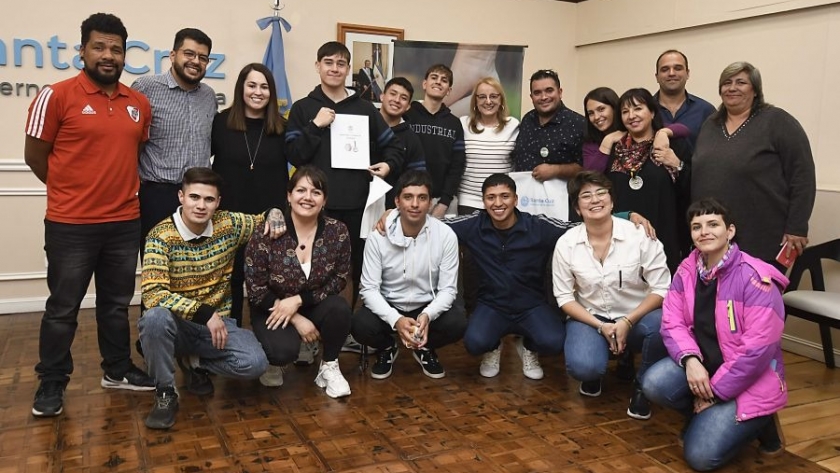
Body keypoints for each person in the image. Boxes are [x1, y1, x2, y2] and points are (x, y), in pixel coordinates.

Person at [23, 12, 155, 418]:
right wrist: (70, 193)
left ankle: (116, 370)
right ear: (82, 51)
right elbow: (35, 157)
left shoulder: (139, 103)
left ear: (124, 54)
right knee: (63, 307)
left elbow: (134, 154)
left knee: (116, 305)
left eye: (116, 48)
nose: (108, 55)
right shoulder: (56, 95)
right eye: (98, 46)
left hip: (123, 222)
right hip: (70, 225)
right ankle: (52, 380)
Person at [642, 198, 788, 471]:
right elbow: (671, 322)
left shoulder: (756, 279)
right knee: (653, 383)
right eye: (696, 226)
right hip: (705, 367)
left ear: (729, 231)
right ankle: (705, 415)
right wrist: (691, 361)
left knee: (700, 458)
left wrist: (714, 393)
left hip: (749, 380)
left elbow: (756, 352)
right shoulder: (687, 270)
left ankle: (761, 422)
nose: (704, 231)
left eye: (713, 224)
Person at [139, 167, 285, 429]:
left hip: (218, 327)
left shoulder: (228, 224)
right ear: (181, 197)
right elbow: (153, 294)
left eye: (208, 199)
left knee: (256, 363)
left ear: (218, 202)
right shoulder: (159, 237)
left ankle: (193, 361)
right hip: (180, 324)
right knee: (154, 319)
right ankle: (165, 392)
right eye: (194, 197)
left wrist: (275, 214)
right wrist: (204, 313)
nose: (200, 206)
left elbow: (264, 218)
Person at [285, 41, 403, 314]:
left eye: (340, 63)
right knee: (308, 268)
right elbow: (294, 154)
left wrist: (387, 165)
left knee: (354, 269)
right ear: (318, 66)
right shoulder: (304, 108)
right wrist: (316, 125)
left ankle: (348, 328)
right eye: (328, 62)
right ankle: (309, 330)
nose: (334, 68)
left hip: (356, 204)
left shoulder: (365, 109)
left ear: (348, 69)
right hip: (312, 206)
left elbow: (394, 146)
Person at [553, 171, 670, 420]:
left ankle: (642, 385)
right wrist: (601, 326)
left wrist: (627, 321)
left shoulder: (639, 235)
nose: (595, 200)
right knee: (584, 366)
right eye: (586, 195)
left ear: (612, 201)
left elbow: (662, 288)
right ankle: (596, 371)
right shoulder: (566, 243)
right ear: (577, 207)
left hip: (637, 318)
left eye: (601, 193)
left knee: (662, 324)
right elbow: (564, 297)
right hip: (591, 318)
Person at [691, 61, 816, 268]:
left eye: (741, 82)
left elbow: (802, 176)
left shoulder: (778, 121)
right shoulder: (710, 125)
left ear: (755, 90)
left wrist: (797, 227)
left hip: (762, 239)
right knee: (717, 300)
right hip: (713, 238)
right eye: (726, 83)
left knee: (755, 299)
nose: (732, 88)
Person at [244, 166, 353, 396]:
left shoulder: (337, 231)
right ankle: (272, 358)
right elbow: (256, 290)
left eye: (316, 192)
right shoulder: (267, 232)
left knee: (340, 309)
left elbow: (340, 278)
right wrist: (296, 318)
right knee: (282, 352)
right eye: (301, 190)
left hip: (313, 302)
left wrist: (299, 301)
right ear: (289, 195)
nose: (308, 197)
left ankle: (329, 366)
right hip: (271, 306)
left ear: (324, 200)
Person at [353, 171, 466, 379]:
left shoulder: (446, 236)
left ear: (430, 203)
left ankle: (423, 347)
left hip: (426, 305)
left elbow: (448, 290)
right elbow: (369, 289)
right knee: (360, 325)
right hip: (390, 304)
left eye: (422, 198)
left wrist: (427, 316)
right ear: (397, 201)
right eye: (408, 197)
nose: (415, 204)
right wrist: (395, 320)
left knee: (458, 322)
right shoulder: (378, 236)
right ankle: (388, 347)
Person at [211, 63, 288, 326]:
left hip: (269, 221)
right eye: (252, 85)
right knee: (229, 282)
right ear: (241, 88)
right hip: (226, 221)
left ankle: (269, 341)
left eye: (264, 87)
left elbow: (295, 174)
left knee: (268, 283)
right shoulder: (220, 123)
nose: (258, 92)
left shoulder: (283, 128)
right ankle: (230, 339)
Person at [132, 28, 218, 238]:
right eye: (189, 54)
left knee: (197, 266)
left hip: (199, 197)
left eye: (203, 57)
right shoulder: (145, 87)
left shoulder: (209, 95)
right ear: (173, 55)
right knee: (157, 264)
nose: (195, 61)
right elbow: (131, 142)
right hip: (158, 196)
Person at [607, 88, 692, 273]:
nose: (631, 116)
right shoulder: (615, 150)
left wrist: (677, 164)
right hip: (622, 239)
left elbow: (691, 189)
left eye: (637, 109)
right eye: (625, 111)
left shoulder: (672, 145)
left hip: (665, 236)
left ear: (652, 112)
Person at [404, 64, 466, 218]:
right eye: (434, 77)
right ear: (424, 84)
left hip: (442, 202)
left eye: (444, 80)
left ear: (449, 90)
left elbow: (456, 167)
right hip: (409, 198)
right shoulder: (407, 116)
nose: (438, 82)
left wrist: (444, 203)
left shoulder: (454, 124)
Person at [583, 86, 688, 173]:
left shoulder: (640, 130)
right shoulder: (592, 144)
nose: (596, 117)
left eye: (601, 109)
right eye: (590, 113)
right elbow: (591, 176)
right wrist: (608, 140)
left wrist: (663, 133)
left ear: (615, 109)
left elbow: (683, 129)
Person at [511, 69, 585, 186]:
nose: (544, 97)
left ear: (560, 92)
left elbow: (586, 167)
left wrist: (556, 170)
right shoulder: (527, 120)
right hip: (525, 198)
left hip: (563, 200)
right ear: (531, 97)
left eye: (549, 90)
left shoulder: (578, 124)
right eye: (537, 93)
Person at [458, 77, 520, 214]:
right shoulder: (463, 124)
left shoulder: (513, 125)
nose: (488, 101)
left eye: (493, 96)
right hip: (469, 201)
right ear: (475, 101)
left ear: (501, 100)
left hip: (502, 202)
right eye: (482, 97)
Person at [379, 76, 426, 207]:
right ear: (382, 96)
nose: (397, 100)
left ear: (408, 106)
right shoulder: (364, 125)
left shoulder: (412, 139)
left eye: (403, 98)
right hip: (356, 206)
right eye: (393, 94)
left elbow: (417, 180)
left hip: (392, 210)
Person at [653, 50, 715, 148]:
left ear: (687, 73)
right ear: (657, 77)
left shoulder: (706, 111)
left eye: (678, 68)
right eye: (665, 69)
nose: (671, 73)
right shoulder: (644, 110)